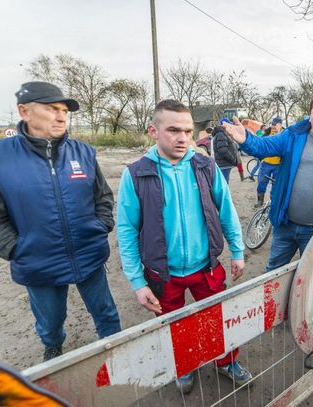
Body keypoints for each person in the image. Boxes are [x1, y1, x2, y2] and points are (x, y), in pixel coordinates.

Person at [117, 100, 251, 394]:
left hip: (205, 266)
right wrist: (138, 281)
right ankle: (184, 364)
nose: (183, 138)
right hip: (162, 273)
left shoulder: (205, 166)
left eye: (188, 131)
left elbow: (226, 210)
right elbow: (126, 231)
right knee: (172, 325)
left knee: (216, 318)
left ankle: (226, 360)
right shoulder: (135, 174)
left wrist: (237, 251)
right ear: (153, 131)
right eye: (173, 130)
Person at [0, 82, 121, 361]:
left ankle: (117, 349)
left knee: (106, 311)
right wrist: (15, 248)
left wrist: (101, 226)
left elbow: (103, 196)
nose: (60, 117)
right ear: (25, 111)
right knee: (51, 321)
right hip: (38, 261)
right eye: (52, 109)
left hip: (89, 253)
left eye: (64, 111)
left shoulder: (83, 153)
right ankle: (53, 347)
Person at [223, 92, 313, 272]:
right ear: (310, 116)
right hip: (286, 224)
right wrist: (246, 138)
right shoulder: (294, 135)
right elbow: (264, 146)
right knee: (274, 273)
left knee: (312, 276)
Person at [254, 117, 284, 208]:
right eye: (272, 124)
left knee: (276, 185)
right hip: (266, 164)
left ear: (280, 125)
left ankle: (273, 202)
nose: (273, 126)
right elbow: (260, 144)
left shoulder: (285, 133)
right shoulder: (267, 132)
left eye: (275, 125)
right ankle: (260, 201)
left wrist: (278, 134)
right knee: (261, 182)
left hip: (279, 165)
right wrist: (261, 157)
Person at [212, 118, 239, 184]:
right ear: (224, 125)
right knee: (224, 185)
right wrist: (233, 160)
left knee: (223, 184)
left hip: (224, 164)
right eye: (229, 125)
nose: (230, 127)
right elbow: (223, 150)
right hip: (224, 164)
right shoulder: (221, 134)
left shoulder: (222, 133)